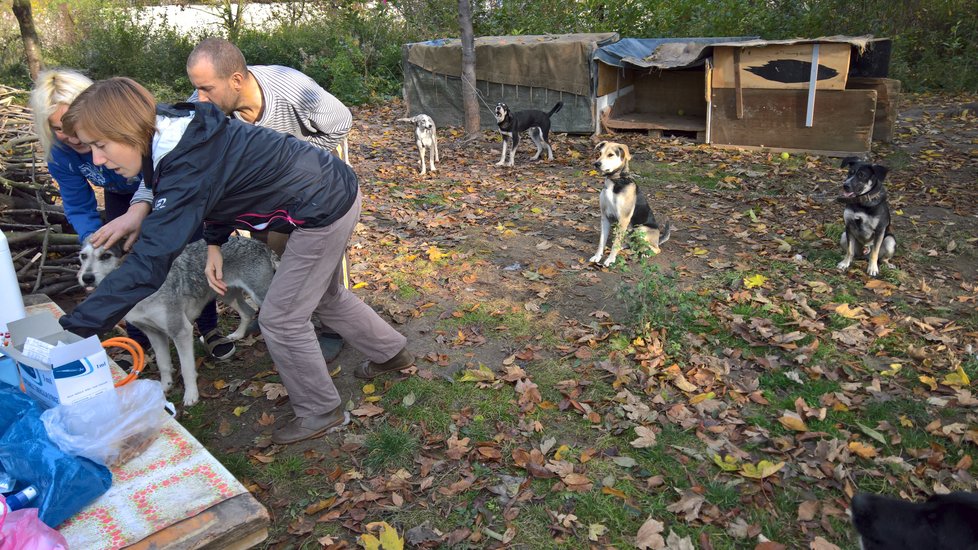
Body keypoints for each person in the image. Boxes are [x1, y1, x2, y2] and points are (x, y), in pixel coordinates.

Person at [59, 77, 414, 444]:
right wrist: (212, 242)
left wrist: (73, 330)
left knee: (281, 317)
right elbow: (222, 188)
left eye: (100, 145)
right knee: (324, 296)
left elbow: (150, 262)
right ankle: (391, 353)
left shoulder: (183, 160)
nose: (97, 159)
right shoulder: (170, 130)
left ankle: (321, 411)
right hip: (330, 190)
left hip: (322, 207)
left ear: (127, 129)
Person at [98, 37, 353, 362]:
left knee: (323, 257)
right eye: (196, 89)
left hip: (314, 181)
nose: (199, 99)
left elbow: (341, 121)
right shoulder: (205, 108)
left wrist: (294, 162)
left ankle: (332, 327)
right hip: (259, 195)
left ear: (235, 81)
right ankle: (287, 315)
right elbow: (167, 160)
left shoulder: (291, 87)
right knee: (271, 252)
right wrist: (139, 206)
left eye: (206, 89)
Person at [29, 70, 232, 359]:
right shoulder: (61, 154)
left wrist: (145, 210)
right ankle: (138, 340)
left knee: (189, 252)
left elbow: (158, 175)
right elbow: (77, 203)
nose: (71, 135)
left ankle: (208, 327)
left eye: (71, 122)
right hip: (119, 194)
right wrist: (95, 246)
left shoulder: (132, 130)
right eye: (58, 128)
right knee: (125, 261)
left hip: (162, 183)